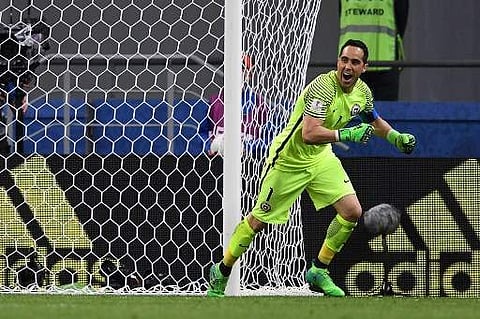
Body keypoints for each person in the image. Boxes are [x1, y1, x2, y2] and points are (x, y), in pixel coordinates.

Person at [207, 39, 416, 297]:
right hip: (290, 160)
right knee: (258, 221)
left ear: (364, 67)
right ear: (338, 61)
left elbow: (374, 120)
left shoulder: (363, 92)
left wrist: (395, 137)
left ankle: (319, 269)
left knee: (352, 211)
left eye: (354, 62)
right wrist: (347, 135)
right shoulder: (322, 87)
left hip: (320, 158)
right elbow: (309, 133)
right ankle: (221, 270)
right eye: (344, 60)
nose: (347, 66)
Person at [338, 0, 409, 101]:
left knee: (349, 111)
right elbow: (401, 20)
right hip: (385, 58)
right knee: (386, 112)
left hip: (351, 62)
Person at [207, 54, 267, 156]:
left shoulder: (259, 104)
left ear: (250, 74)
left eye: (242, 68)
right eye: (232, 67)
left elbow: (269, 138)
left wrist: (247, 147)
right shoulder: (214, 101)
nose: (237, 72)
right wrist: (210, 145)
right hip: (215, 163)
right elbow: (201, 132)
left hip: (248, 164)